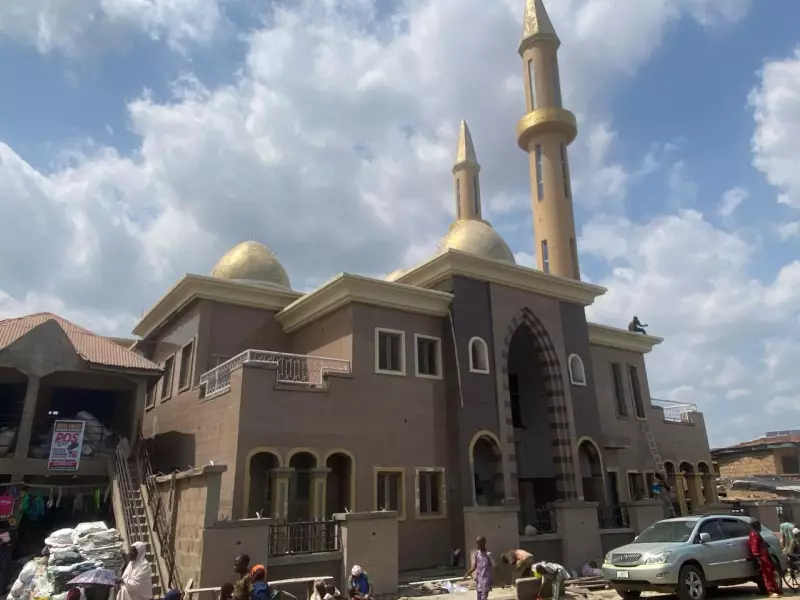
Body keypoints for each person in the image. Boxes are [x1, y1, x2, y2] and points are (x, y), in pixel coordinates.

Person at [749, 520, 781, 598]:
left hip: (765, 555)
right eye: (758, 525)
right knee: (767, 574)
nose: (760, 526)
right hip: (762, 557)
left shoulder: (757, 534)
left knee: (770, 573)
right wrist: (758, 559)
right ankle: (771, 591)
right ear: (755, 526)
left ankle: (775, 590)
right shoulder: (754, 534)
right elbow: (754, 547)